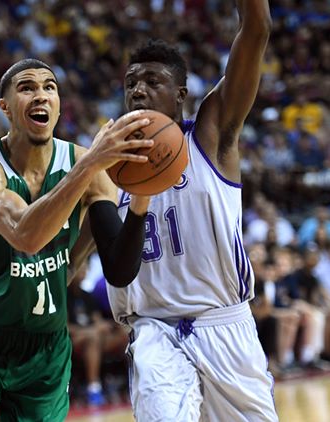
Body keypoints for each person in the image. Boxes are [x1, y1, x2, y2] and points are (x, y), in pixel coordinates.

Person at [0, 58, 155, 422]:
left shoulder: (86, 163)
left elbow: (118, 265)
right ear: (4, 107)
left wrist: (140, 195)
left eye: (49, 87)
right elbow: (27, 236)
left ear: (59, 104)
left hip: (46, 350)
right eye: (27, 88)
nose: (40, 95)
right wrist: (89, 167)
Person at [104, 1, 278, 419]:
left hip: (224, 325)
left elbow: (256, 31)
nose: (138, 90)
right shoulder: (107, 165)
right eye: (131, 82)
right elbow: (81, 252)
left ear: (180, 94)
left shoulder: (211, 135)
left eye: (151, 80)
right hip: (152, 330)